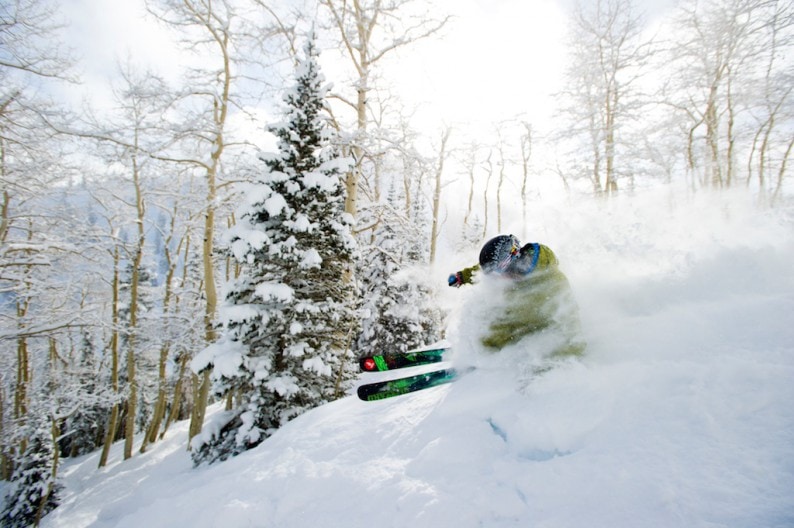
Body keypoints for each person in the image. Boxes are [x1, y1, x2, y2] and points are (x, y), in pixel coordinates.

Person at [448, 234, 586, 360]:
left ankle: (485, 352)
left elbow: (571, 324)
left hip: (540, 331)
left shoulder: (550, 287)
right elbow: (487, 269)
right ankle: (484, 348)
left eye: (498, 273)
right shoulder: (517, 267)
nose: (497, 279)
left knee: (494, 330)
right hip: (524, 322)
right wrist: (462, 277)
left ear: (512, 265)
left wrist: (565, 357)